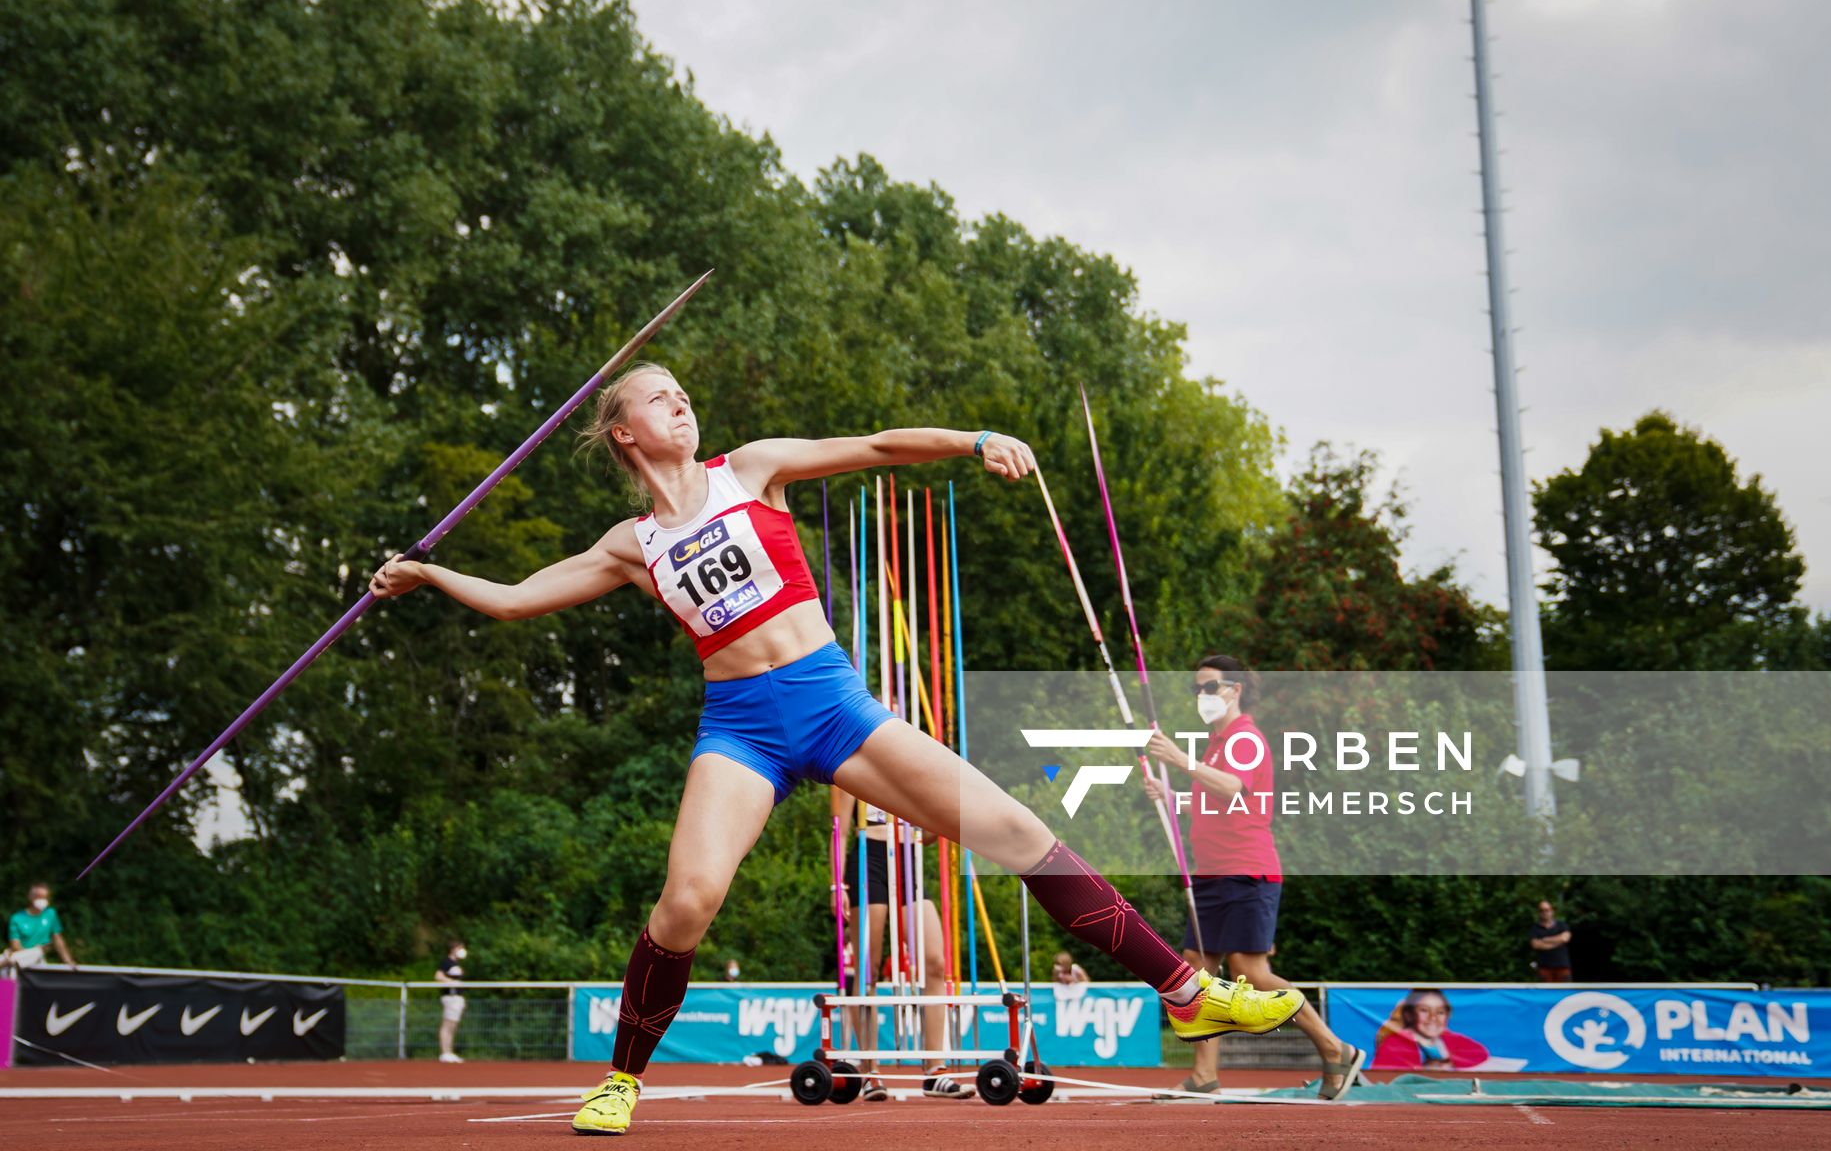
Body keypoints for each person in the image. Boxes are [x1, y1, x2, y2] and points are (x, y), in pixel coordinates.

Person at [369, 364, 1310, 1137]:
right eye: (658, 397)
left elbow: (874, 447)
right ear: (624, 434)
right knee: (687, 901)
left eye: (685, 391)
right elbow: (517, 594)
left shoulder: (755, 468)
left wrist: (971, 441)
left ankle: (1186, 992)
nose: (682, 401)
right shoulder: (632, 543)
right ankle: (620, 1079)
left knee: (1016, 829)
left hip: (835, 707)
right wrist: (427, 572)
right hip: (740, 728)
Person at [1143, 657, 1364, 1100]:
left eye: (1209, 688)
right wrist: (1173, 798)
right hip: (1211, 876)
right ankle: (1204, 1075)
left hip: (1245, 872)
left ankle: (1335, 1047)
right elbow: (1216, 802)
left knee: (1251, 972)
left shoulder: (1245, 738)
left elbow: (1235, 789)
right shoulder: (1218, 743)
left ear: (1234, 689)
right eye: (1196, 689)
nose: (1200, 697)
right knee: (1195, 977)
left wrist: (1179, 760)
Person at [831, 791, 973, 1099]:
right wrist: (837, 884)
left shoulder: (908, 764)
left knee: (935, 962)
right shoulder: (853, 764)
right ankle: (871, 1073)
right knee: (868, 969)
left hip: (910, 858)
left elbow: (930, 834)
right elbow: (840, 830)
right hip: (870, 858)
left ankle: (935, 1069)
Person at [1374, 988, 1489, 1070]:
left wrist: (1449, 1062)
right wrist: (1423, 1068)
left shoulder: (1450, 1039)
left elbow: (1480, 1053)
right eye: (1424, 1010)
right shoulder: (1395, 1042)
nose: (1433, 1018)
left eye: (1440, 1012)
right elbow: (1383, 1072)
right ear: (1409, 1015)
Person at [4, 883, 78, 975]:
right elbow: (15, 946)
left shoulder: (50, 914)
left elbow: (57, 939)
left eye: (45, 897)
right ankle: (6, 967)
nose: (42, 900)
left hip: (38, 960)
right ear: (30, 897)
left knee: (36, 953)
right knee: (8, 972)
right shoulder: (17, 918)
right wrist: (31, 951)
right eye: (39, 897)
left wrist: (68, 960)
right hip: (21, 958)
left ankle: (5, 961)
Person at [435, 938, 468, 1063]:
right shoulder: (446, 962)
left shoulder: (457, 964)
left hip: (457, 997)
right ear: (453, 949)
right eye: (460, 948)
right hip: (450, 997)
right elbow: (438, 976)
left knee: (453, 1025)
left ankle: (449, 1052)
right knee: (447, 1024)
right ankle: (444, 1052)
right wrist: (451, 983)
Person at [1529, 900, 1572, 982]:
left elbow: (1564, 938)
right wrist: (1558, 942)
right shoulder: (1535, 928)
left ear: (1552, 911)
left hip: (1562, 966)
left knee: (1565, 992)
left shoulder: (1562, 925)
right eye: (1541, 910)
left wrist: (1545, 940)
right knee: (1545, 993)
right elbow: (1535, 945)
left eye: (1547, 910)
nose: (1544, 912)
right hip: (1544, 968)